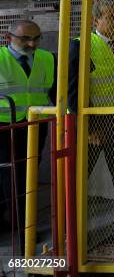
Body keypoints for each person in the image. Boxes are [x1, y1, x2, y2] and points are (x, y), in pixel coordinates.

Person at [68, 0, 114, 234]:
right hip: (94, 122)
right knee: (80, 174)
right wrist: (90, 128)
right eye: (111, 17)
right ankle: (71, 225)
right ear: (95, 20)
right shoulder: (82, 46)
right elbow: (73, 91)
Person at [0, 20, 55, 249]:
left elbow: (56, 93)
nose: (32, 44)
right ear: (8, 37)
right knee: (9, 179)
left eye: (36, 38)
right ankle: (20, 234)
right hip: (4, 127)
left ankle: (23, 231)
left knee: (27, 177)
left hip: (35, 127)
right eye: (24, 39)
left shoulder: (47, 58)